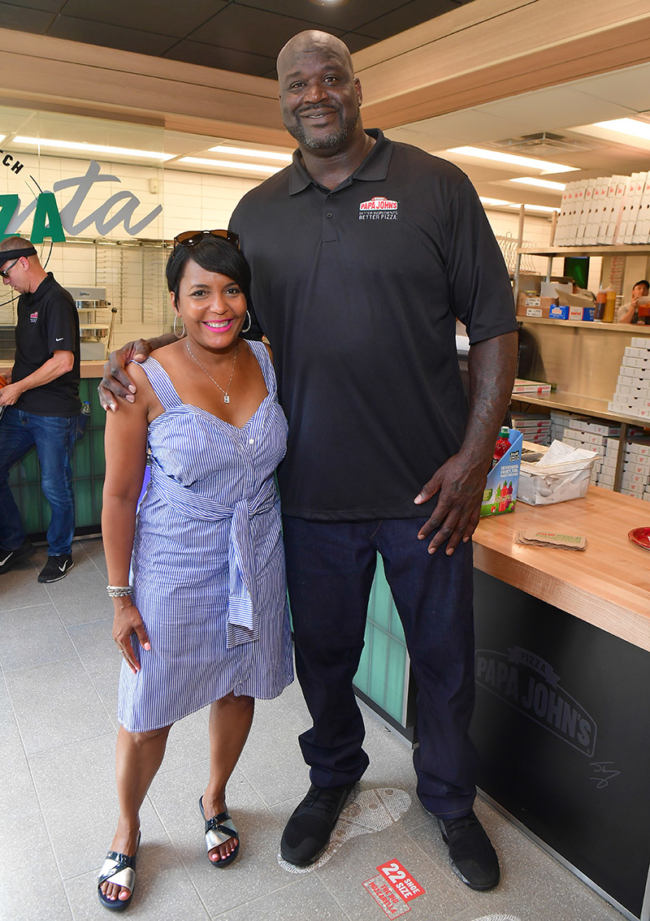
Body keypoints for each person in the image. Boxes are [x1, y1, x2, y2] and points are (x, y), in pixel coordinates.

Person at [100, 31, 518, 893]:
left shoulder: (437, 186)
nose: (315, 93)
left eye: (332, 78)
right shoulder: (258, 212)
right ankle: (333, 776)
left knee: (442, 658)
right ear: (282, 99)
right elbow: (227, 323)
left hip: (428, 492)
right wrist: (144, 347)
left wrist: (475, 459)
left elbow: (496, 329)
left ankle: (447, 797)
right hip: (309, 494)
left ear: (358, 89)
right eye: (298, 82)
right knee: (323, 658)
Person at [98, 231, 293, 911]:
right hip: (174, 564)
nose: (218, 305)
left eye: (231, 289)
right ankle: (128, 825)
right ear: (176, 301)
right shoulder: (139, 378)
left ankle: (214, 796)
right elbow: (119, 495)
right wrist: (120, 596)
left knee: (237, 688)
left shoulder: (268, 360)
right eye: (201, 291)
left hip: (258, 553)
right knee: (149, 709)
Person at [0, 236, 82, 582]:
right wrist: (11, 376)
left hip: (53, 413)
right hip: (22, 410)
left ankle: (61, 553)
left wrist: (17, 387)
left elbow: (63, 362)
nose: (5, 282)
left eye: (5, 274)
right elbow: (35, 357)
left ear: (22, 262)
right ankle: (14, 543)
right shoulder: (25, 302)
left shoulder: (57, 300)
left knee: (54, 485)